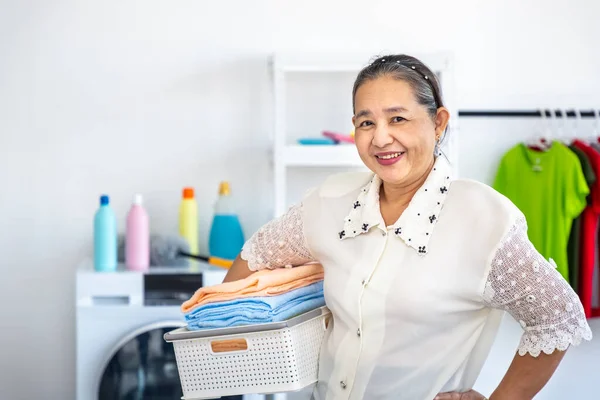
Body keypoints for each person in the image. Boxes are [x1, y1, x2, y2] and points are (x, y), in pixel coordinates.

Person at [223, 54, 592, 400]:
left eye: (397, 118)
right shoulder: (329, 201)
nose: (380, 138)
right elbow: (253, 260)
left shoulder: (484, 217)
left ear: (438, 122)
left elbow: (558, 318)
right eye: (366, 122)